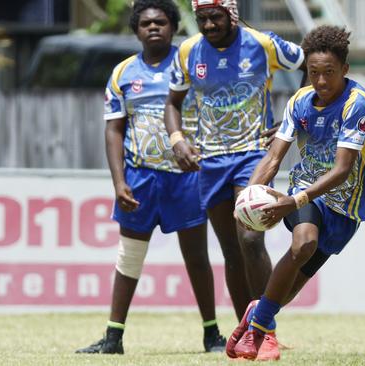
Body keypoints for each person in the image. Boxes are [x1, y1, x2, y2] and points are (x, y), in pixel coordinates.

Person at [76, 0, 225, 354]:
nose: (154, 27)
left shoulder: (189, 62)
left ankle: (211, 335)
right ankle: (113, 338)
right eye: (146, 23)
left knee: (197, 257)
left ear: (173, 27)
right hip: (140, 178)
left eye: (161, 22)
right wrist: (118, 181)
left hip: (186, 176)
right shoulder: (123, 73)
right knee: (129, 255)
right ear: (136, 30)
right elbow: (114, 131)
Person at [227, 25, 365, 361]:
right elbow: (273, 157)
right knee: (304, 243)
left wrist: (292, 202)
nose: (321, 81)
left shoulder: (357, 106)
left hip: (346, 204)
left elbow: (342, 170)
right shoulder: (299, 101)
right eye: (313, 73)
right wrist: (248, 197)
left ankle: (254, 317)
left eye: (329, 73)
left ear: (345, 70)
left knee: (282, 295)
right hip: (304, 191)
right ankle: (259, 335)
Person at [164, 0, 305, 322]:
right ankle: (247, 331)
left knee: (251, 237)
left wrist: (293, 118)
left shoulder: (263, 43)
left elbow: (310, 62)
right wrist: (178, 141)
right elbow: (172, 103)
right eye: (202, 19)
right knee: (231, 251)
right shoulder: (188, 51)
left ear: (231, 14)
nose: (209, 25)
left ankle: (264, 327)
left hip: (254, 154)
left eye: (215, 17)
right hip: (210, 161)